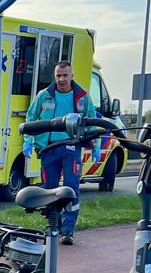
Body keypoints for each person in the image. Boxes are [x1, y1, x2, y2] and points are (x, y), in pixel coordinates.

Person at [23, 60, 97, 244]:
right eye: (58, 75)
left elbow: (92, 121)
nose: (61, 79)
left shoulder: (82, 97)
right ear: (54, 76)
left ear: (72, 76)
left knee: (71, 189)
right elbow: (31, 117)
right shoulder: (44, 95)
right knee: (49, 190)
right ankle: (52, 226)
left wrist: (94, 145)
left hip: (71, 147)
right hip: (48, 149)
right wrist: (28, 141)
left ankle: (68, 230)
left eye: (65, 75)